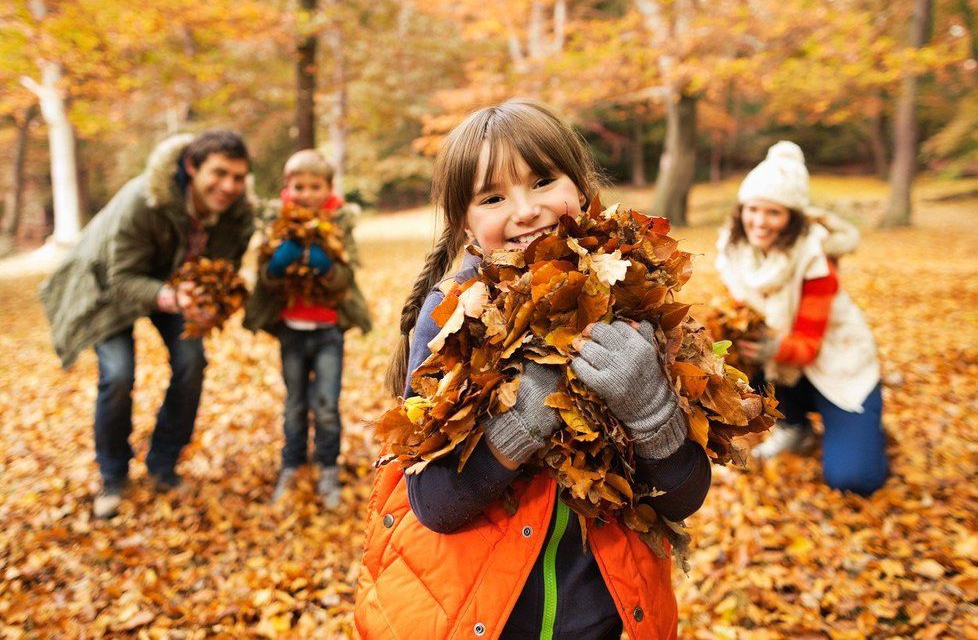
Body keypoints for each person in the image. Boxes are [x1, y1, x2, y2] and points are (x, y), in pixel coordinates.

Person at [355, 100, 711, 639]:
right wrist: (520, 421)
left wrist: (651, 411)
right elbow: (434, 504)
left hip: (603, 617)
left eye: (543, 181)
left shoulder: (637, 297)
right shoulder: (450, 315)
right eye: (493, 197)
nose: (525, 210)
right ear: (465, 226)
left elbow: (684, 497)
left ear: (582, 186)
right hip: (479, 616)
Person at [41, 130, 254, 519]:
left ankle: (162, 464)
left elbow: (225, 271)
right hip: (107, 287)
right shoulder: (144, 200)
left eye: (238, 177)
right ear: (191, 167)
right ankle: (113, 474)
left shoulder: (238, 212)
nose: (228, 186)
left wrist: (211, 304)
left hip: (175, 286)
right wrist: (173, 297)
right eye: (219, 173)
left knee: (191, 363)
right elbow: (121, 277)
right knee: (118, 374)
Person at [715, 141, 888, 495]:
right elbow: (743, 318)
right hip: (783, 364)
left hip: (836, 364)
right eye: (753, 209)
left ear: (793, 218)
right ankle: (794, 426)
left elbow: (808, 346)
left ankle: (862, 422)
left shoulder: (815, 259)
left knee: (854, 480)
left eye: (773, 213)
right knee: (742, 343)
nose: (759, 222)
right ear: (741, 210)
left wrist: (770, 348)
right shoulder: (736, 253)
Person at [243, 150, 371, 507]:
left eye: (315, 186)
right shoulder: (277, 223)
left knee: (327, 405)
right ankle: (292, 466)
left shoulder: (340, 224)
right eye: (298, 186)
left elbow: (347, 276)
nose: (306, 193)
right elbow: (265, 279)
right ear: (287, 187)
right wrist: (277, 265)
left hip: (328, 330)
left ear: (328, 188)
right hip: (291, 331)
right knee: (296, 404)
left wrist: (326, 268)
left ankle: (328, 469)